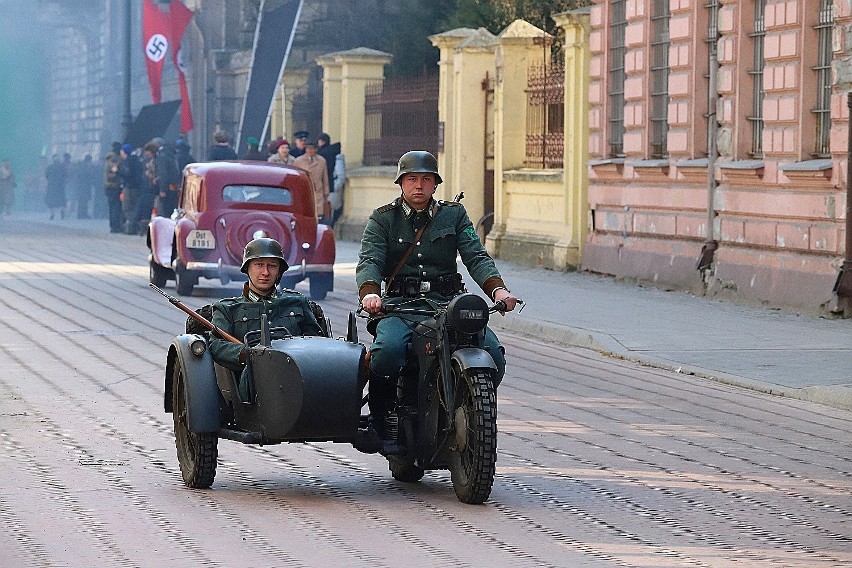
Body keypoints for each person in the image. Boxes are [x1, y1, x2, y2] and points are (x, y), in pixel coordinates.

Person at [356, 150, 518, 437]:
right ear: (401, 183)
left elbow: (476, 255)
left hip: (447, 303)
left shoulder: (453, 215)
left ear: (435, 184)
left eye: (426, 179)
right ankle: (382, 415)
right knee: (388, 351)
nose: (418, 186)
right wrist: (370, 293)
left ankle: (468, 407)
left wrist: (498, 290)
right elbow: (370, 260)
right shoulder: (384, 219)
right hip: (400, 306)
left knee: (492, 353)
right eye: (412, 179)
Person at [208, 237, 326, 401]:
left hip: (299, 379)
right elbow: (216, 346)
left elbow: (318, 342)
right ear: (247, 268)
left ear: (279, 271)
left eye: (272, 266)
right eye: (259, 265)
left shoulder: (297, 303)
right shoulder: (227, 309)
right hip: (253, 386)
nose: (265, 272)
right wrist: (246, 354)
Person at [293, 140, 330, 223]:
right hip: (303, 191)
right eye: (308, 149)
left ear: (316, 149)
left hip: (318, 191)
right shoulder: (298, 161)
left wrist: (326, 193)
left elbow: (325, 178)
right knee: (305, 213)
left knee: (318, 216)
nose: (309, 151)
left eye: (312, 149)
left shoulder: (322, 161)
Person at [317, 133, 345, 227]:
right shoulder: (332, 154)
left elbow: (340, 176)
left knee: (329, 215)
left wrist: (334, 187)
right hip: (329, 189)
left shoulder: (330, 156)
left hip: (331, 189)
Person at [104, 148, 124, 233]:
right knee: (115, 207)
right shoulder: (112, 164)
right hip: (114, 187)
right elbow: (110, 176)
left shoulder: (107, 164)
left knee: (112, 207)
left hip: (109, 188)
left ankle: (113, 225)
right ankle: (115, 226)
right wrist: (117, 174)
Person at [44, 154, 67, 220]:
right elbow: (65, 176)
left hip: (51, 186)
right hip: (60, 186)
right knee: (61, 200)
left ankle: (52, 214)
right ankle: (62, 212)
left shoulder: (49, 167)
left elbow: (46, 176)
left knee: (50, 201)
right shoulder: (62, 167)